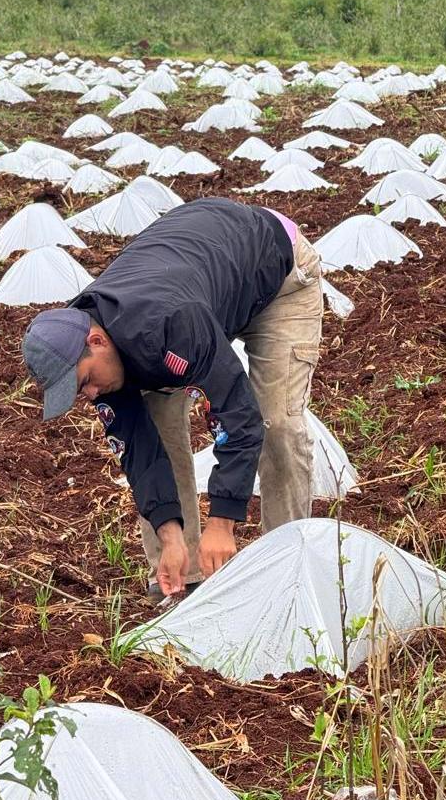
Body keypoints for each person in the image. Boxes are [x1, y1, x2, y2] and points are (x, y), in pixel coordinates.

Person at [22, 197, 323, 598]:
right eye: (81, 390)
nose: (91, 394)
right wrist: (170, 534)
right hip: (203, 283)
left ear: (96, 341)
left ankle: (287, 576)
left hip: (277, 271)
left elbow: (237, 414)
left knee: (277, 423)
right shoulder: (80, 340)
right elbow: (139, 450)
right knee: (156, 423)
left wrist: (222, 522)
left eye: (86, 381)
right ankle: (181, 579)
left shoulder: (168, 324)